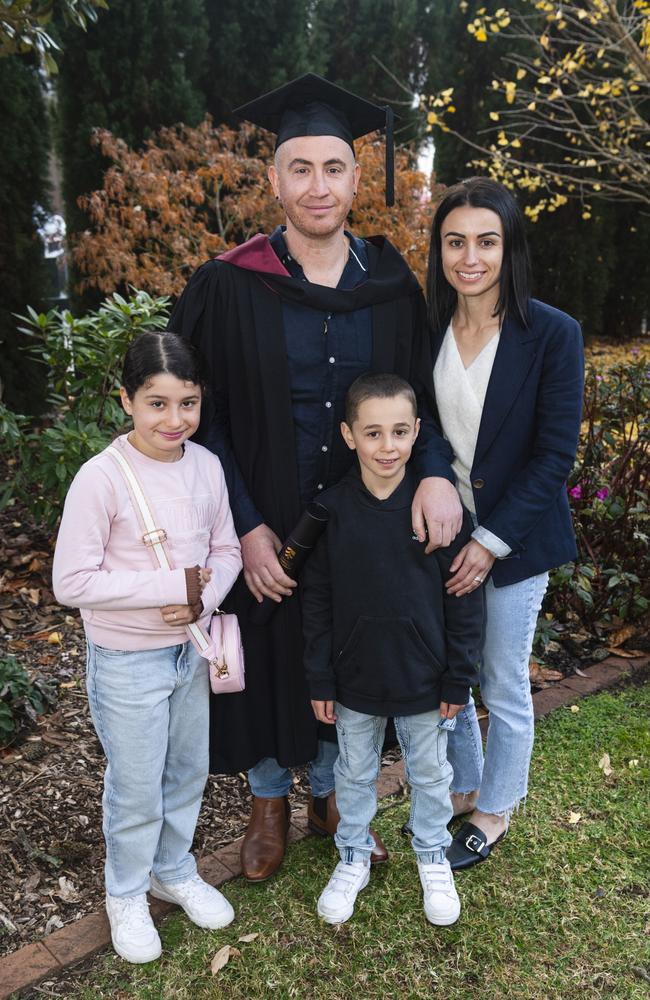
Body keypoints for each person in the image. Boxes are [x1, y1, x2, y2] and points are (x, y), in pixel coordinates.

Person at [169, 73, 462, 883]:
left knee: (351, 650)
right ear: (274, 180)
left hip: (364, 523)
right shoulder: (229, 283)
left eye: (334, 168)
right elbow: (202, 418)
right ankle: (268, 802)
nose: (318, 186)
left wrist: (434, 473)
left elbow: (427, 406)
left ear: (357, 179)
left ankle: (333, 794)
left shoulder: (393, 288)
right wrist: (245, 526)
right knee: (261, 652)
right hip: (258, 514)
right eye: (300, 169)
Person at [52, 332, 242, 963]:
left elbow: (226, 551)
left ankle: (173, 868)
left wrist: (203, 602)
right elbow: (71, 581)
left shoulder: (206, 466)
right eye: (157, 403)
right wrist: (167, 587)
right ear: (126, 400)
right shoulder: (101, 478)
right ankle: (126, 892)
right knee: (137, 784)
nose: (174, 419)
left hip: (192, 648)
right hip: (127, 658)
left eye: (187, 403)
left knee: (187, 769)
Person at [426, 177, 584, 869]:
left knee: (499, 676)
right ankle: (463, 789)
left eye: (486, 241)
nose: (470, 257)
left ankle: (495, 808)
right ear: (439, 249)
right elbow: (424, 425)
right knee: (448, 670)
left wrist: (489, 543)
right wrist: (436, 492)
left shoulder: (551, 333)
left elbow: (555, 455)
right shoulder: (428, 325)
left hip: (515, 540)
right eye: (455, 241)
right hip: (439, 532)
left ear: (508, 246)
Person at [302, 373, 483, 925]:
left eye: (400, 432)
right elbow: (317, 603)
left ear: (417, 432)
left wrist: (458, 678)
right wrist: (319, 679)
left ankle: (432, 856)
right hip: (354, 676)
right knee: (353, 774)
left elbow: (464, 605)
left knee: (431, 775)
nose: (388, 446)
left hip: (426, 681)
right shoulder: (330, 513)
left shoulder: (440, 512)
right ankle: (352, 854)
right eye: (373, 433)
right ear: (348, 435)